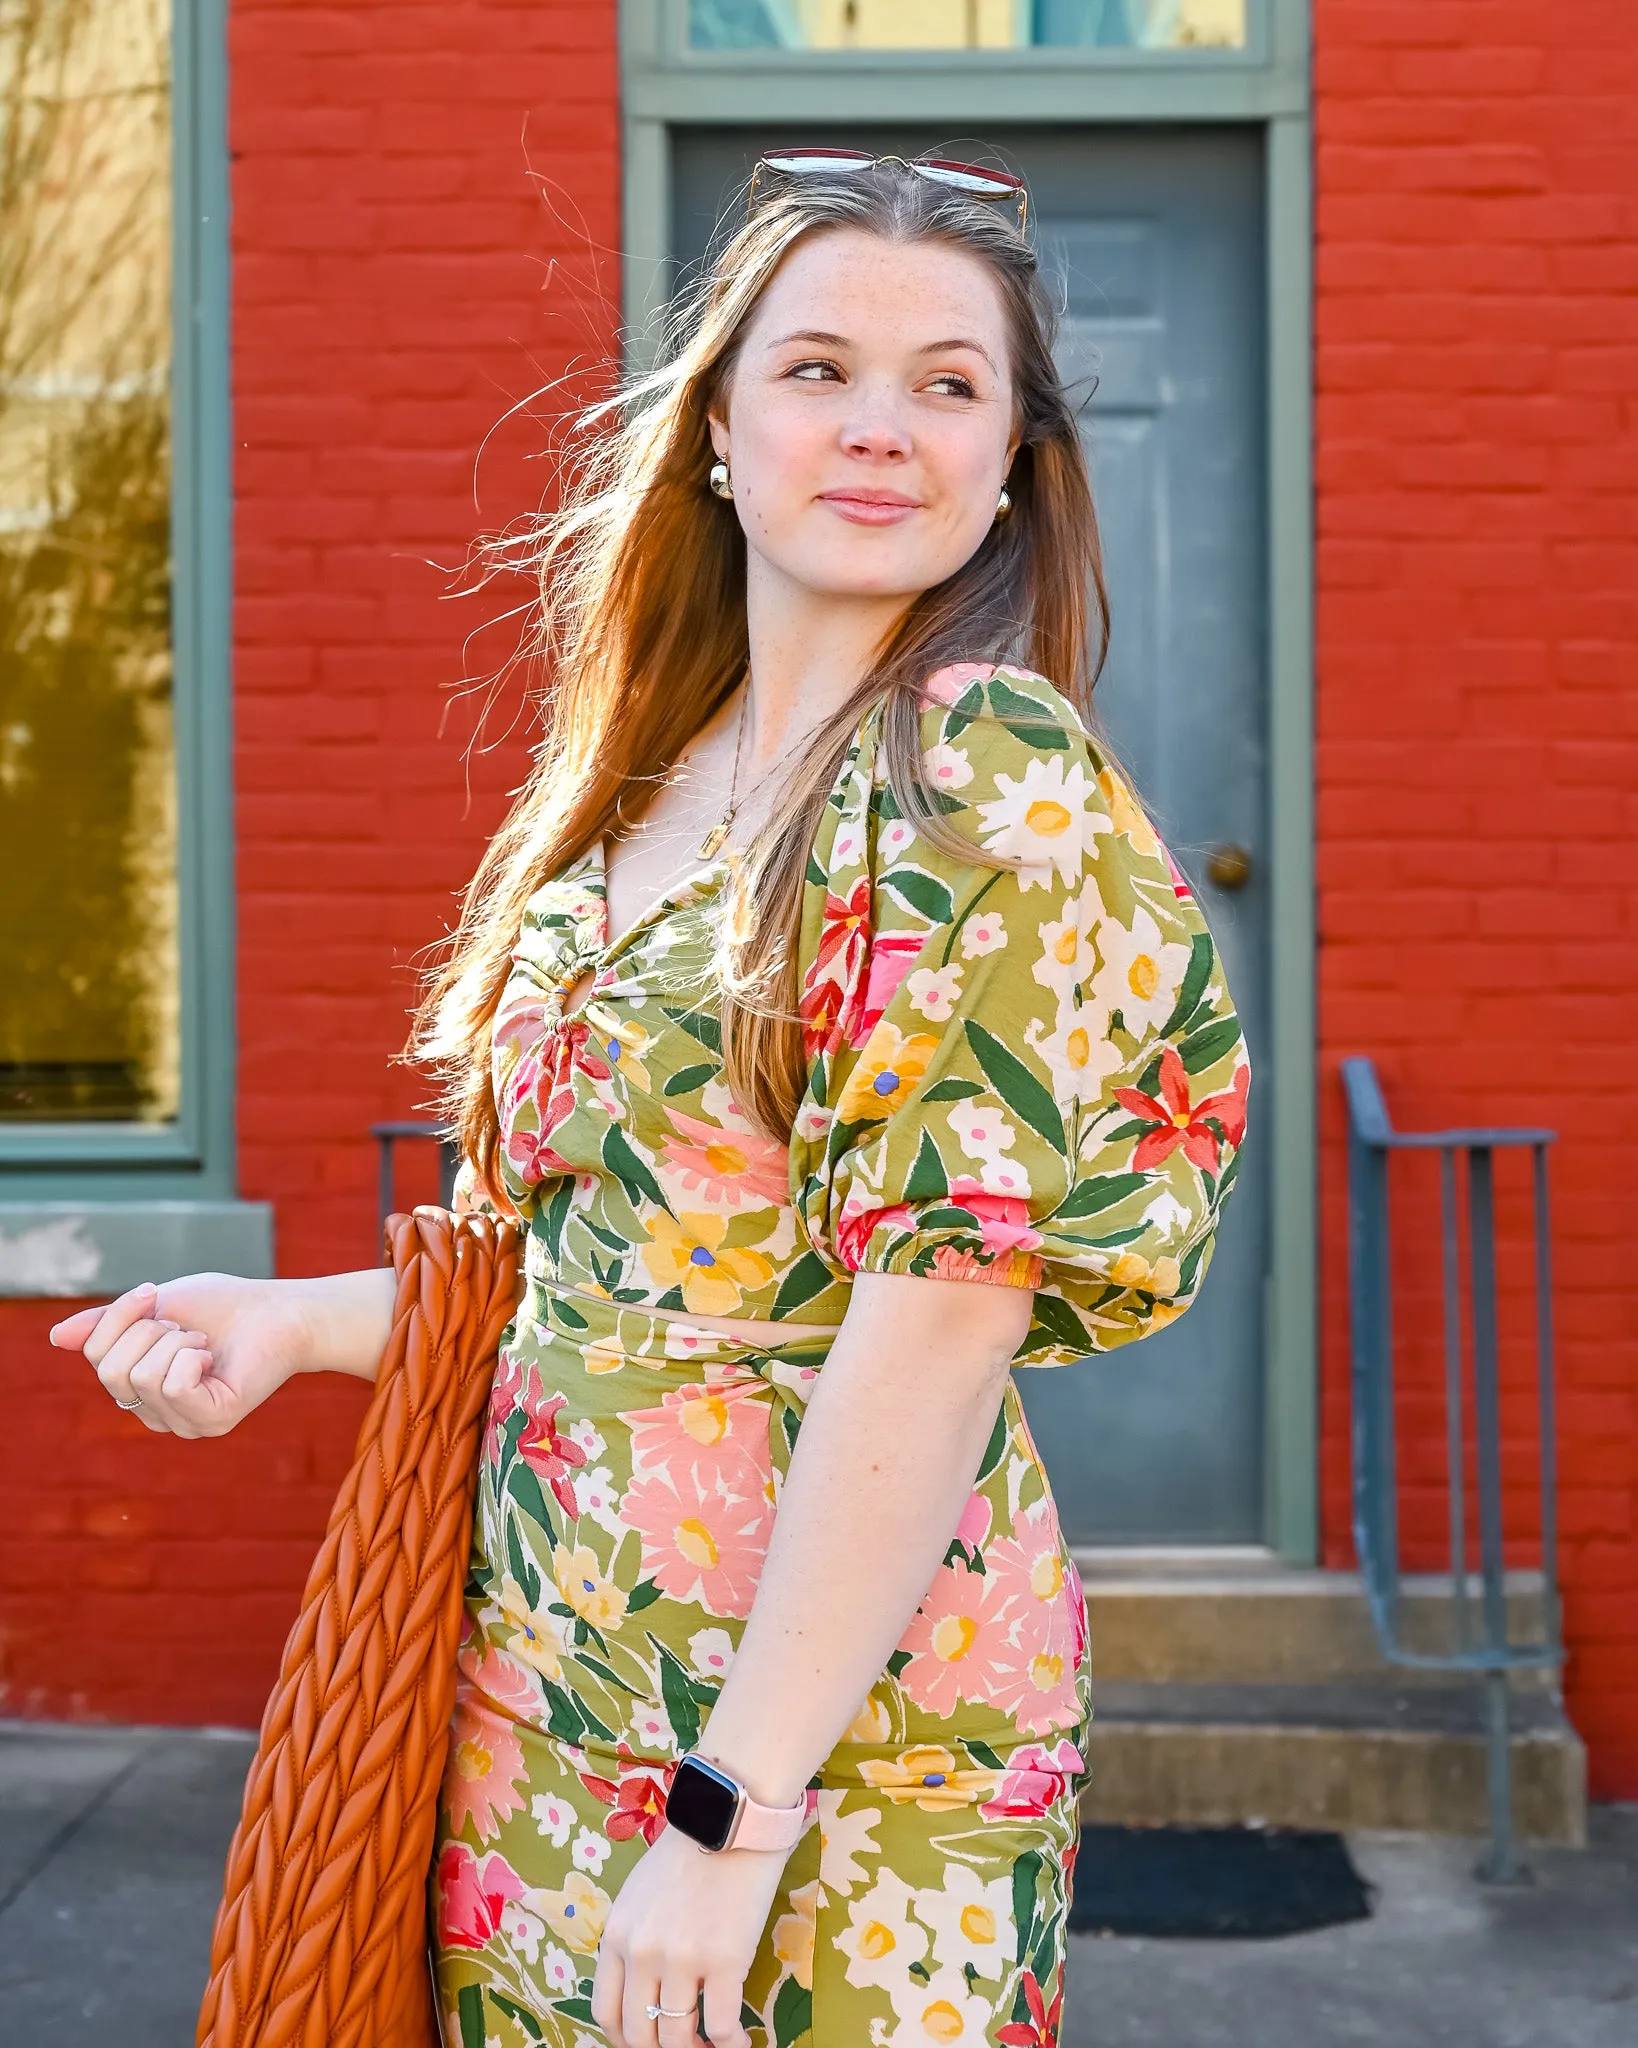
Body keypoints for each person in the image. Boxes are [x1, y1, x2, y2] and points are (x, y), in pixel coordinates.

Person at [51, 151, 1248, 2048]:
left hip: (826, 1741)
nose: (880, 429)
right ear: (712, 428)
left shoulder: (975, 772)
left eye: (950, 384)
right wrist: (293, 1323)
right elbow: (607, 1280)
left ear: (1013, 464)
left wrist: (730, 1812)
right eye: (817, 369)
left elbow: (937, 1324)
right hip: (540, 1671)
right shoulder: (644, 788)